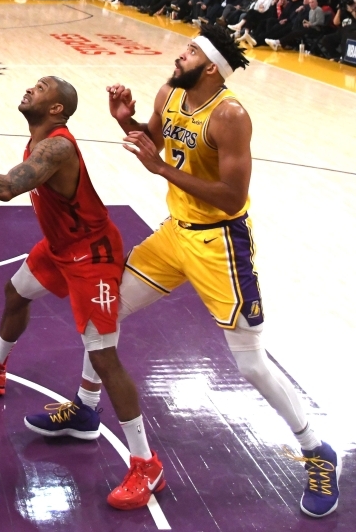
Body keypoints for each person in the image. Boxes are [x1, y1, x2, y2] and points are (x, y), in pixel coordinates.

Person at [81, 25, 338, 518]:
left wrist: (160, 171)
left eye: (191, 51)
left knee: (250, 363)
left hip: (220, 244)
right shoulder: (170, 92)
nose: (180, 55)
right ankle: (84, 406)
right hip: (174, 234)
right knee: (101, 315)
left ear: (212, 67)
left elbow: (232, 196)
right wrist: (126, 121)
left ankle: (315, 450)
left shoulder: (230, 116)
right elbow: (154, 142)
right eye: (185, 48)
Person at [0, 77, 164, 511]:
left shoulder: (56, 147)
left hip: (91, 255)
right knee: (16, 292)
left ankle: (145, 463)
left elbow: (6, 188)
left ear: (57, 108)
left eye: (40, 89)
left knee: (102, 355)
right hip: (60, 247)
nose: (29, 90)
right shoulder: (39, 139)